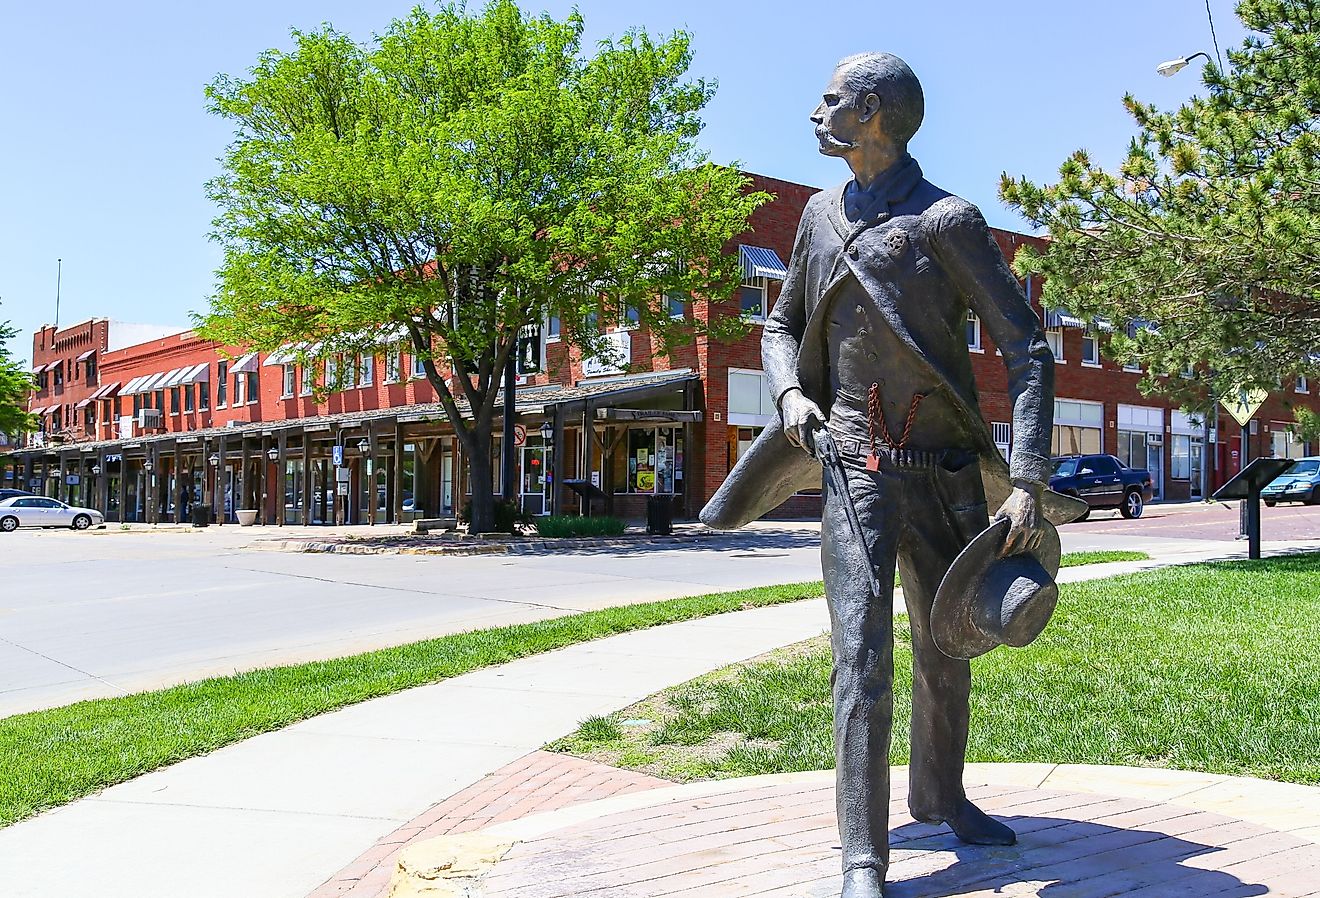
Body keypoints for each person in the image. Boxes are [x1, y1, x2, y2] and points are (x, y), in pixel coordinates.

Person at [700, 52, 1079, 898]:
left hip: (944, 476)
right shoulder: (816, 219)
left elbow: (1026, 347)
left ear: (872, 113)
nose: (817, 111)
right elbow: (779, 325)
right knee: (861, 661)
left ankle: (941, 797)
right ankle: (863, 855)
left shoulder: (946, 221)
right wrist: (792, 392)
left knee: (950, 646)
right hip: (852, 469)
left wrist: (1024, 477)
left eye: (832, 99)